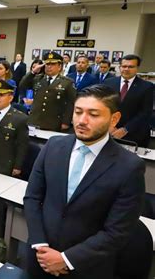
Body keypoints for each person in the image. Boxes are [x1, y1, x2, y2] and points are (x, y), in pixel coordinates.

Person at [24, 84, 145, 278]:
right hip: (40, 258)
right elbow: (32, 198)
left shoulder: (129, 166)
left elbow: (117, 231)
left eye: (94, 114)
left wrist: (66, 259)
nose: (82, 120)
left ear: (114, 119)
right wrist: (40, 245)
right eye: (78, 112)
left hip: (85, 267)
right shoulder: (53, 146)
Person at [104, 54, 153, 147]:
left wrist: (125, 129)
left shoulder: (147, 87)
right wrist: (110, 126)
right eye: (124, 66)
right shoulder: (108, 82)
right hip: (109, 131)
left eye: (131, 67)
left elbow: (145, 112)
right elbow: (104, 105)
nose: (126, 69)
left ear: (137, 68)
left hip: (134, 134)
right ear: (119, 67)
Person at [19, 52, 76, 132]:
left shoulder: (67, 82)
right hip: (34, 120)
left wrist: (66, 122)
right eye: (47, 64)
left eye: (52, 64)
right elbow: (22, 85)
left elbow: (71, 103)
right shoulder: (38, 79)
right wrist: (33, 72)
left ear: (59, 66)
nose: (49, 67)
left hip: (53, 122)